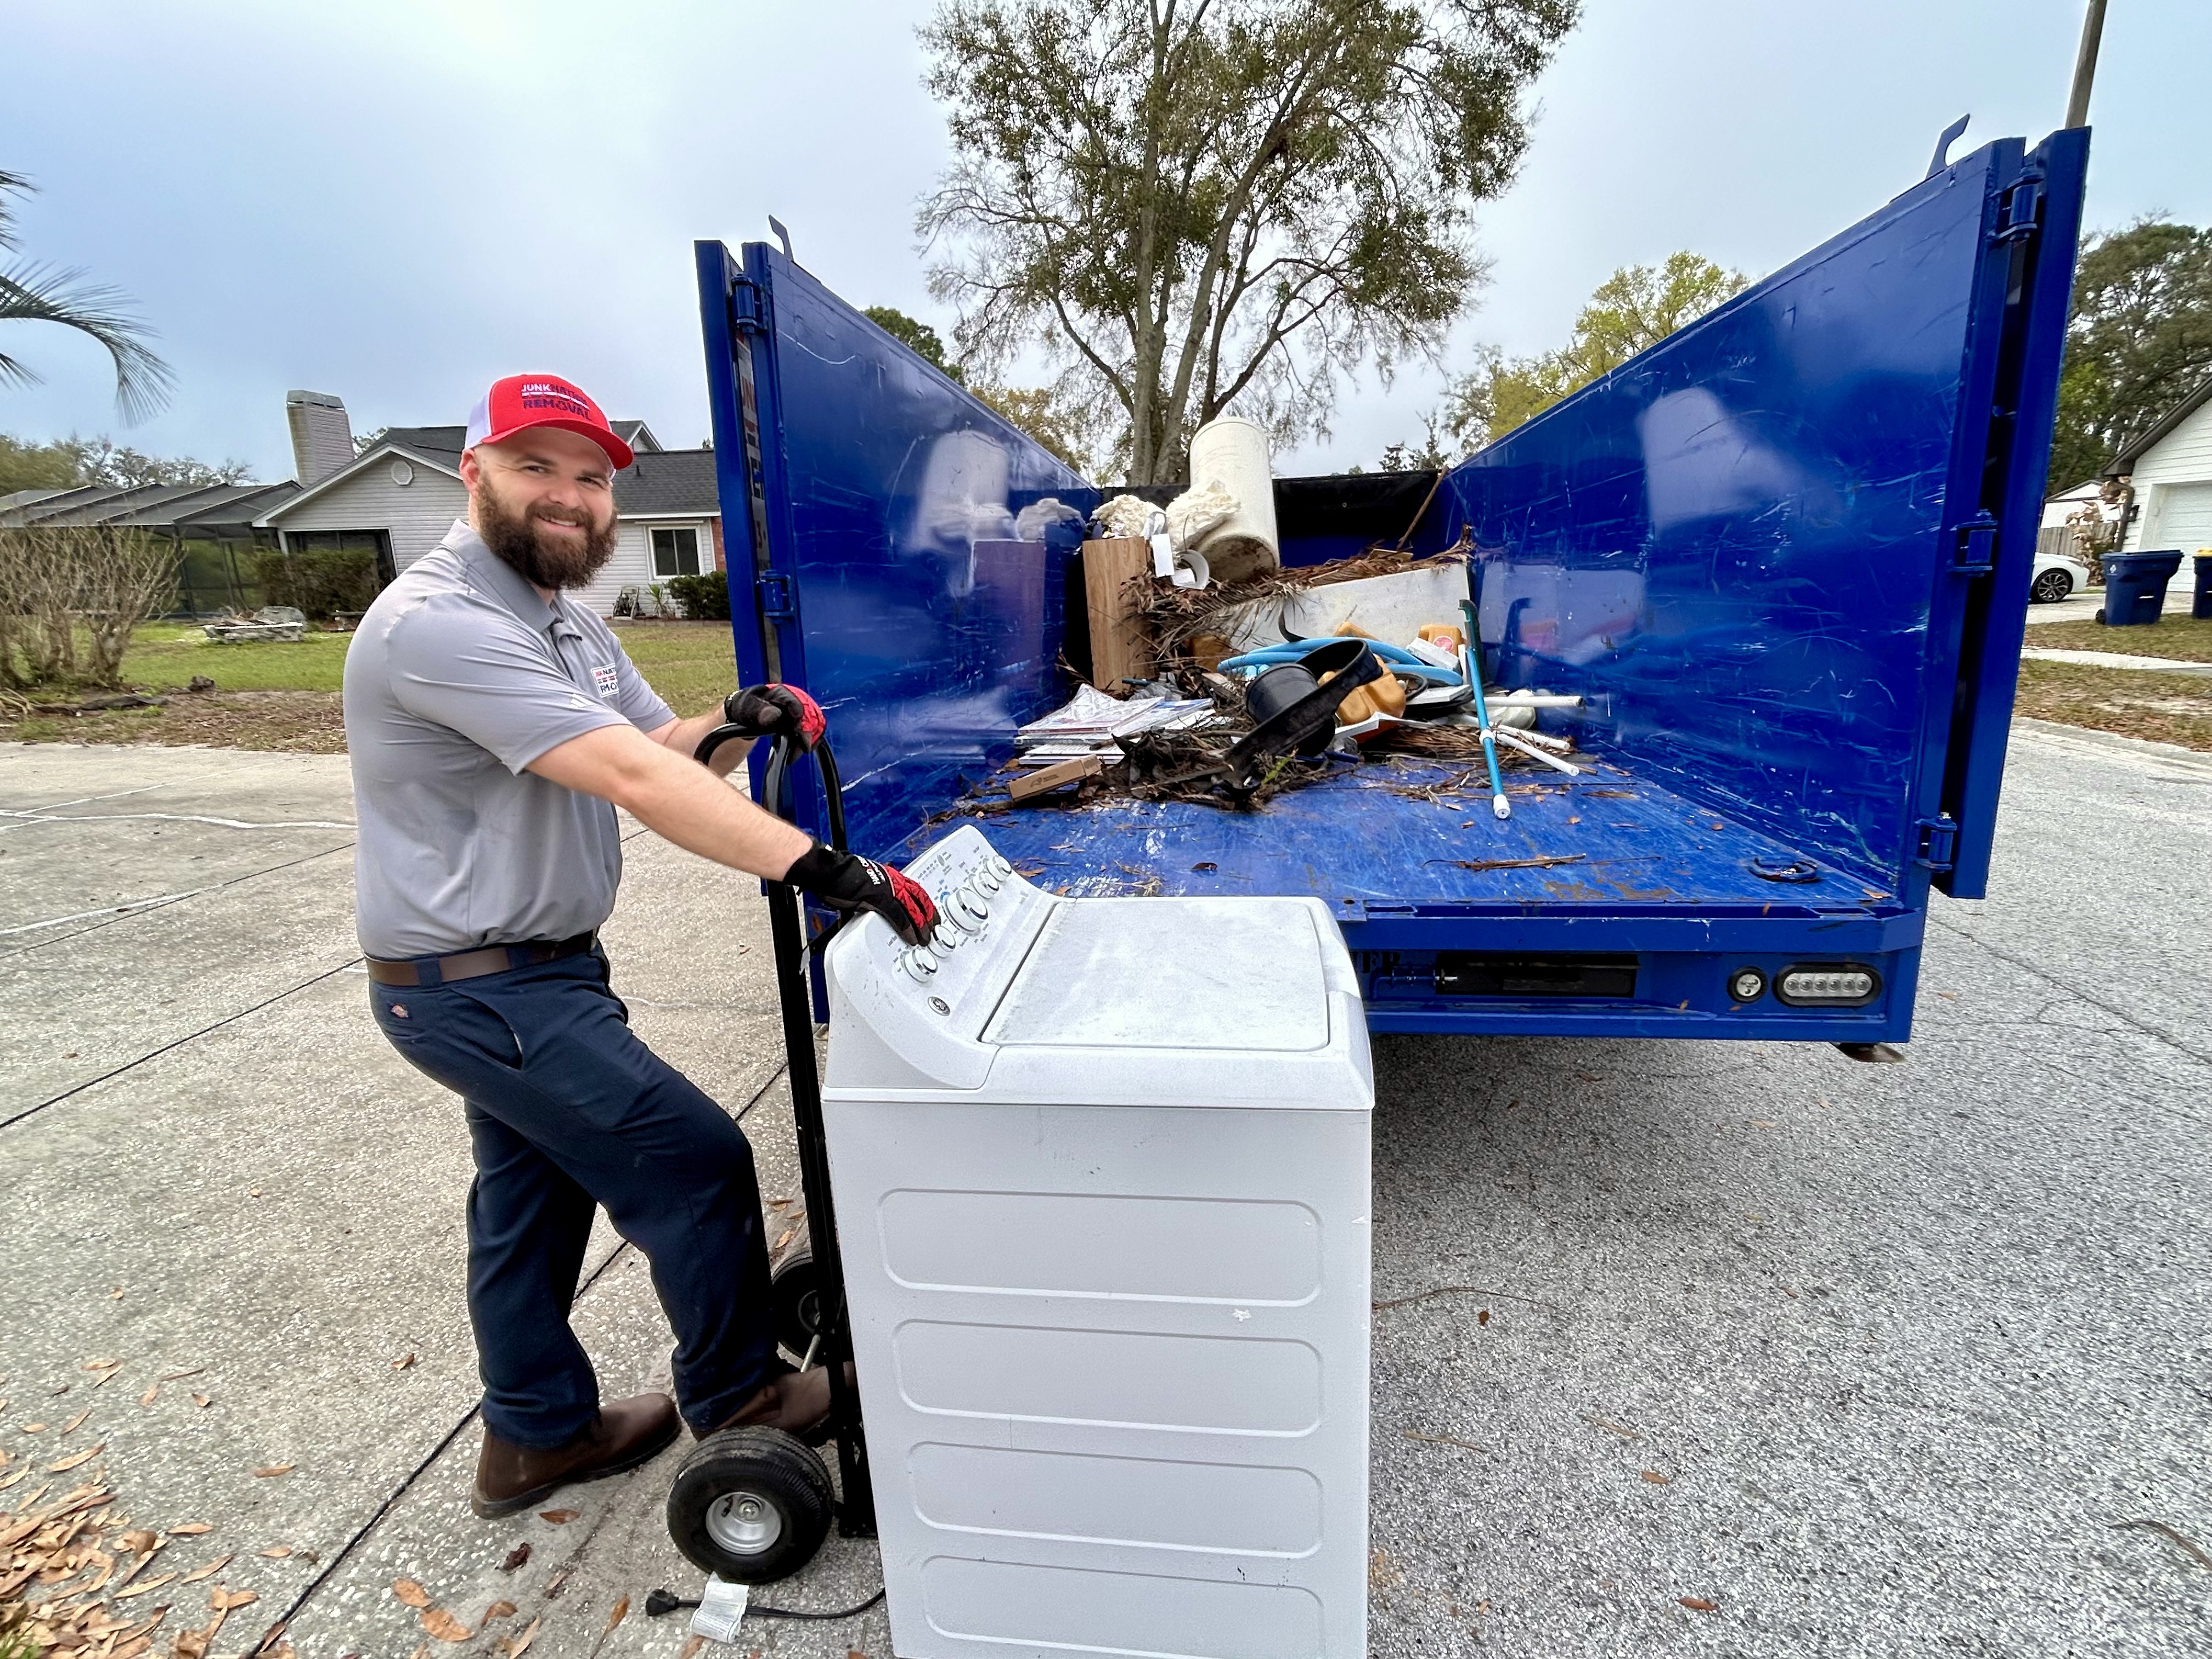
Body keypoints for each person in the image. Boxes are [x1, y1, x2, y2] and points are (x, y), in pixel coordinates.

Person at [341, 373, 938, 1519]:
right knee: (696, 1160)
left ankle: (534, 1442)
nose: (568, 496)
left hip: (533, 971)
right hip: (483, 988)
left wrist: (732, 718)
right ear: (475, 473)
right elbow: (626, 779)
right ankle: (739, 1398)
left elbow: (660, 747)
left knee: (532, 1204)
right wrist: (817, 865)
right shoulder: (440, 626)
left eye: (590, 476)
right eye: (537, 466)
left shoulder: (561, 616)